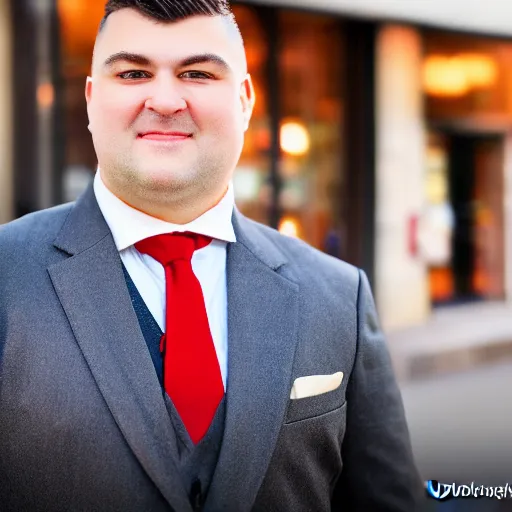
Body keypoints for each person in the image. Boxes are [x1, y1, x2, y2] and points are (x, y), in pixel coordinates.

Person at [0, 0, 425, 510]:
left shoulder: (339, 296)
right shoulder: (7, 275)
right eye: (133, 72)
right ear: (92, 100)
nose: (164, 99)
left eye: (197, 73)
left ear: (245, 99)